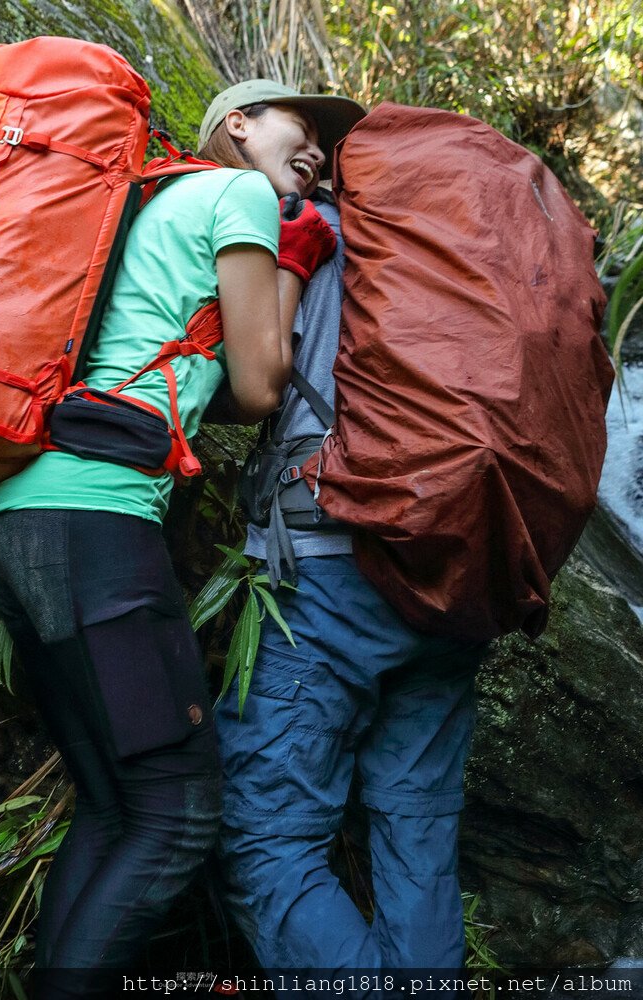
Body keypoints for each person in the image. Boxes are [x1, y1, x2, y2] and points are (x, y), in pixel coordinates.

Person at [0, 77, 362, 989]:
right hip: (101, 527)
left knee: (118, 809)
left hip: (30, 520)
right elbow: (266, 388)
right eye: (299, 129)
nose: (314, 152)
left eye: (324, 147)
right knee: (179, 817)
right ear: (238, 125)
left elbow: (225, 391)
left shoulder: (166, 196)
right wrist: (295, 265)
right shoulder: (236, 194)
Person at [213, 182, 488, 985]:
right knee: (419, 837)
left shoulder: (318, 233)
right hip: (461, 576)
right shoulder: (460, 256)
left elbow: (248, 381)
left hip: (334, 567)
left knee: (267, 839)